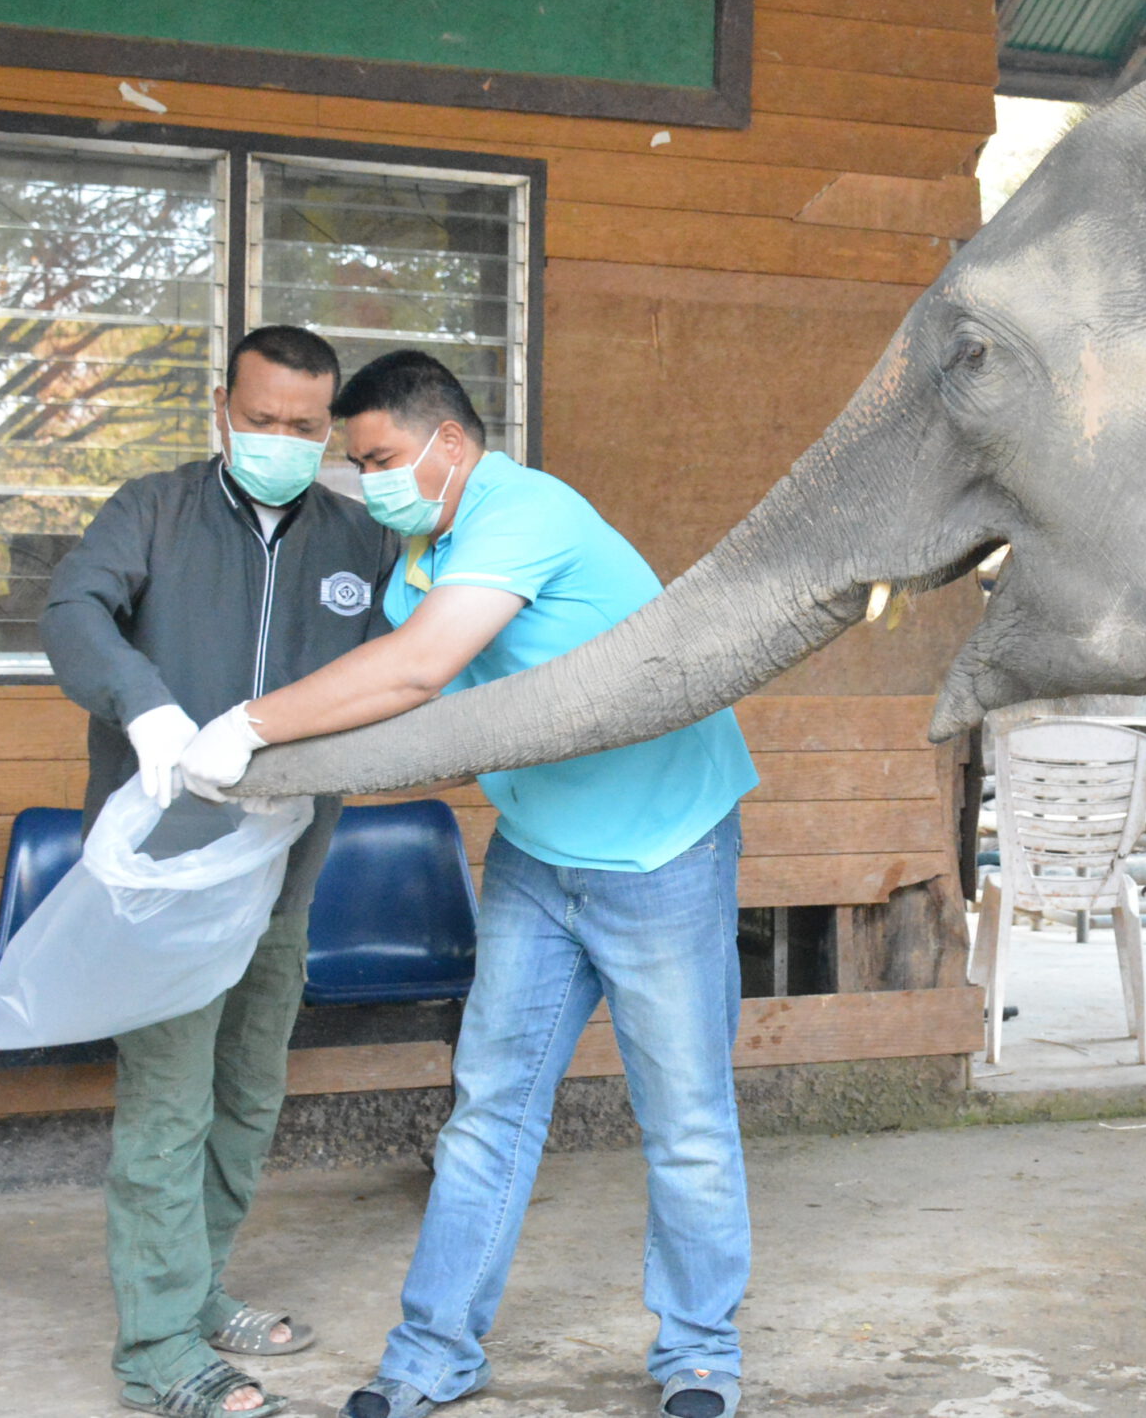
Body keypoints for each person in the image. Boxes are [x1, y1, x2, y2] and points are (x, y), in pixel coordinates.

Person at [172, 351, 760, 1418]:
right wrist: (267, 759)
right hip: (537, 852)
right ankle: (434, 1354)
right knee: (489, 1112)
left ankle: (699, 1353)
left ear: (449, 441)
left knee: (684, 1120)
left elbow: (416, 670)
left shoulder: (527, 512)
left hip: (661, 849)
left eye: (381, 458)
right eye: (358, 464)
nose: (368, 481)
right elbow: (397, 694)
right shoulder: (424, 539)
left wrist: (250, 728)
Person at [42, 324, 397, 1418]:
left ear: (327, 429)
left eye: (304, 427)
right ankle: (156, 1347)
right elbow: (73, 611)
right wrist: (142, 703)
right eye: (261, 419)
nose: (280, 440)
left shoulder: (359, 537)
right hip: (171, 882)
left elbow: (404, 666)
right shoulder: (153, 509)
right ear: (220, 409)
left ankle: (196, 1290)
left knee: (246, 1096)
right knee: (168, 1108)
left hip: (285, 876)